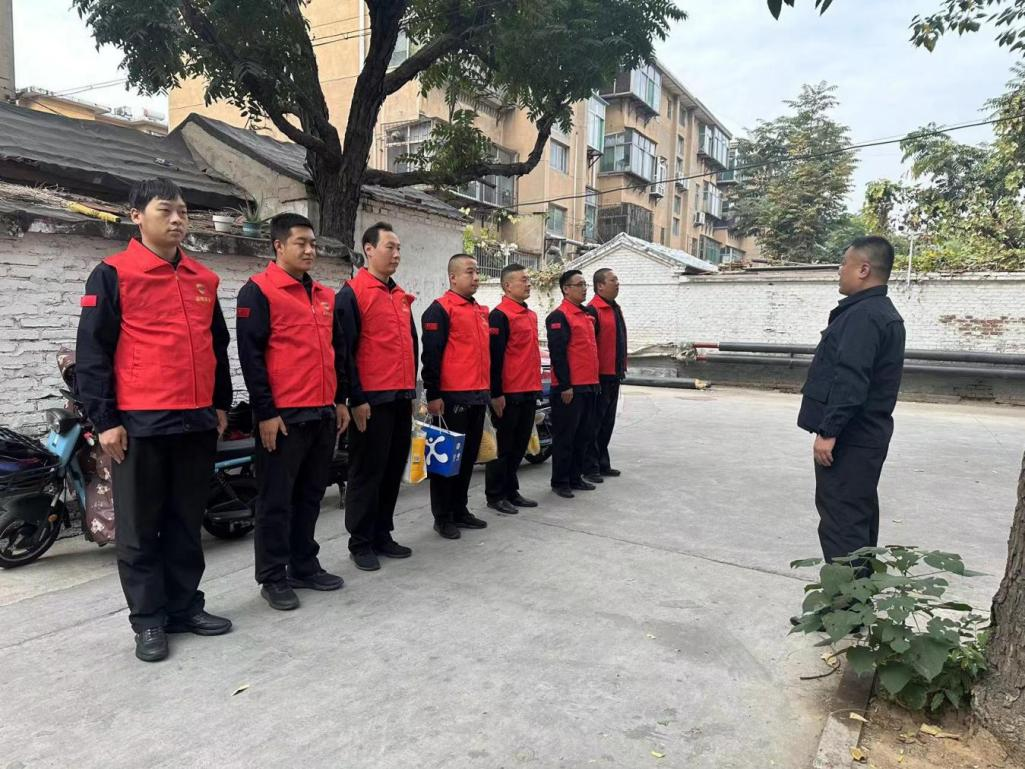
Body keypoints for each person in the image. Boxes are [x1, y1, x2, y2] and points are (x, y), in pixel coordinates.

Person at [76, 178, 233, 663]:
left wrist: (221, 404)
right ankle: (148, 621)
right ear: (136, 216)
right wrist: (105, 420)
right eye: (166, 210)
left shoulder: (203, 278)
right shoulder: (113, 274)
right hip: (140, 423)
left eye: (183, 211)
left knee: (186, 521)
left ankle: (184, 607)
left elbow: (217, 346)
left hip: (196, 421)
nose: (178, 219)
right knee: (140, 528)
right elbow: (93, 353)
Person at [236, 213, 350, 611]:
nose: (309, 250)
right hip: (282, 418)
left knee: (310, 495)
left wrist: (340, 400)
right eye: (301, 243)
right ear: (278, 245)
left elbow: (337, 352)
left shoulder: (323, 295)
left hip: (321, 413)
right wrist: (265, 412)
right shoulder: (258, 291)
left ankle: (304, 564)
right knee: (275, 500)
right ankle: (272, 576)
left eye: (313, 244)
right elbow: (251, 358)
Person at [798, 236, 906, 564]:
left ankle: (845, 597)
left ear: (863, 269)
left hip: (850, 439)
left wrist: (829, 431)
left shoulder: (864, 316)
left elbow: (850, 378)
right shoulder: (874, 312)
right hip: (864, 437)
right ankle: (859, 595)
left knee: (842, 527)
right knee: (857, 521)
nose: (839, 270)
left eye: (844, 263)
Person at [336, 222, 418, 571]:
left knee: (391, 469)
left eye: (399, 248)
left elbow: (411, 344)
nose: (396, 254)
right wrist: (355, 398)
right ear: (368, 249)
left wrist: (412, 391)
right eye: (389, 247)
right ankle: (360, 542)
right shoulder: (353, 294)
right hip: (370, 401)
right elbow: (344, 352)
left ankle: (382, 533)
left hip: (400, 396)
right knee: (366, 472)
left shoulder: (399, 296)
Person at [421, 254, 491, 539]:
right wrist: (433, 394)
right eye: (469, 272)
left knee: (467, 458)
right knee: (446, 461)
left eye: (477, 272)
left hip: (477, 396)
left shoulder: (478, 310)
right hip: (451, 398)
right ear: (452, 277)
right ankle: (443, 517)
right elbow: (431, 356)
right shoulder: (440, 310)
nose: (476, 277)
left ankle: (460, 509)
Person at [485, 264, 542, 515]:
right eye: (523, 280)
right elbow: (494, 358)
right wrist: (496, 393)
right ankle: (495, 495)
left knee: (520, 446)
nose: (528, 284)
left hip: (529, 389)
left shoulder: (529, 315)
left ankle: (511, 490)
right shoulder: (500, 316)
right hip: (509, 393)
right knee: (503, 447)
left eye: (529, 280)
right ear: (508, 286)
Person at [545, 270, 601, 499]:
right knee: (565, 437)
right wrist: (565, 385)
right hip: (570, 388)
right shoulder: (559, 317)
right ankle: (560, 481)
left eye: (585, 284)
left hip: (589, 384)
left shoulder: (586, 315)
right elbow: (558, 354)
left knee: (583, 435)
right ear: (566, 289)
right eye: (579, 285)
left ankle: (575, 477)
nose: (584, 288)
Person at [583, 268, 628, 483]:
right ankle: (589, 467)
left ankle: (602, 463)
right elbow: (589, 347)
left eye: (617, 279)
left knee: (607, 422)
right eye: (613, 280)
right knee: (594, 423)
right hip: (599, 376)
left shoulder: (614, 308)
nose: (617, 283)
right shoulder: (593, 310)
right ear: (600, 285)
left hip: (614, 374)